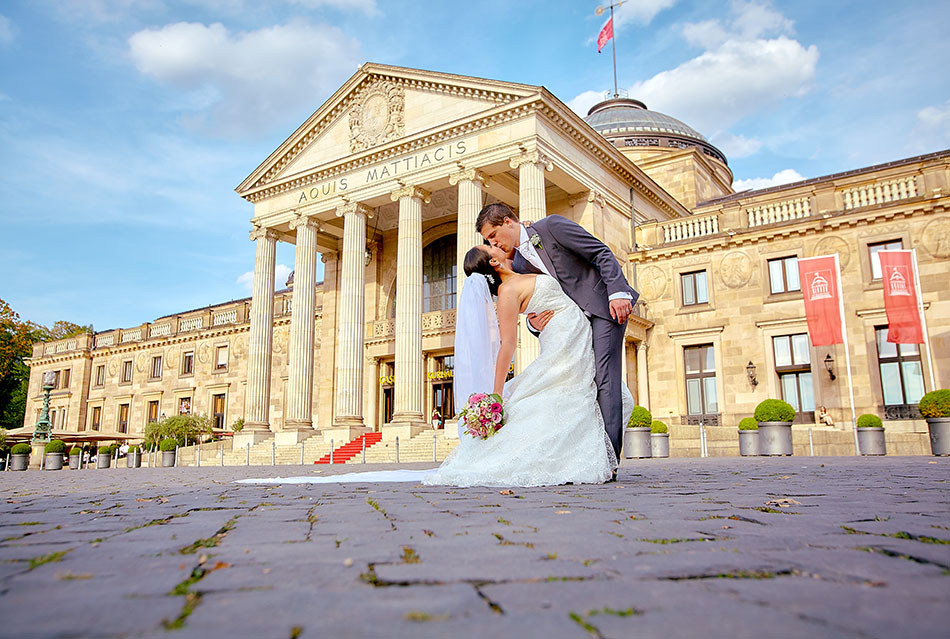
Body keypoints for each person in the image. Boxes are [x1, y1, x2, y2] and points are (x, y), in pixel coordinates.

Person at [475, 203, 638, 461]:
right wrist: (533, 323)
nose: (494, 243)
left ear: (508, 222)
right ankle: (586, 453)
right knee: (580, 385)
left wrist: (617, 292)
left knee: (604, 377)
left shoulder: (551, 227)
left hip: (603, 307)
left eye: (493, 235)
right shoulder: (517, 262)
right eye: (488, 241)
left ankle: (609, 459)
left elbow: (600, 253)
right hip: (572, 328)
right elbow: (535, 301)